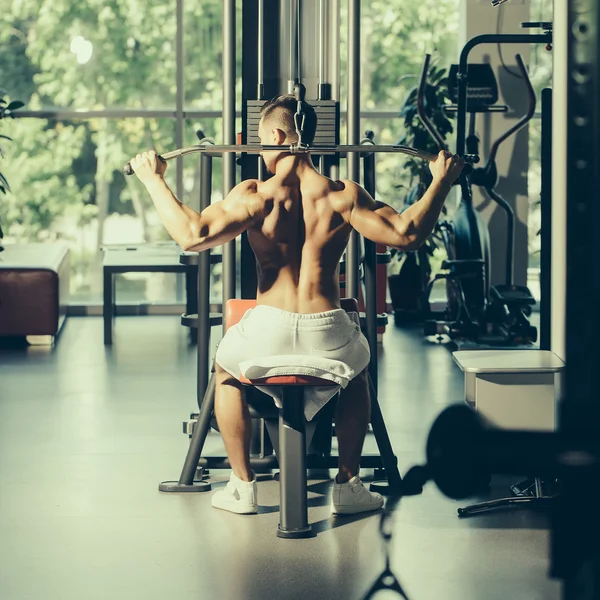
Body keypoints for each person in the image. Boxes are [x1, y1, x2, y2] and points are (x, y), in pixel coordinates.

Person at [130, 94, 464, 516]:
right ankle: (348, 483)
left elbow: (192, 234)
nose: (262, 151)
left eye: (261, 141)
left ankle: (243, 486)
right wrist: (441, 180)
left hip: (268, 327)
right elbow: (406, 234)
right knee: (358, 371)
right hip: (327, 330)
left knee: (225, 371)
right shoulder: (343, 195)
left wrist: (152, 179)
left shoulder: (256, 194)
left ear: (275, 135)